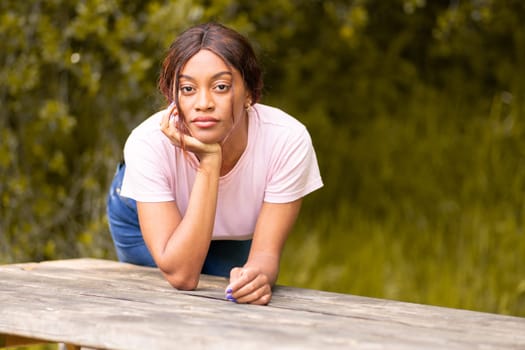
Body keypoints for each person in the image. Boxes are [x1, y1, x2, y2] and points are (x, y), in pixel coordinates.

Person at [106, 22, 323, 305]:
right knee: (159, 306)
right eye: (187, 89)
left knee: (232, 305)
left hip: (231, 226)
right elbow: (182, 275)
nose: (203, 103)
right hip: (142, 217)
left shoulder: (286, 140)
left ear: (249, 93)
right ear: (173, 96)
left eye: (221, 87)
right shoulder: (147, 143)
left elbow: (265, 258)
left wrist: (255, 278)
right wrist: (209, 161)